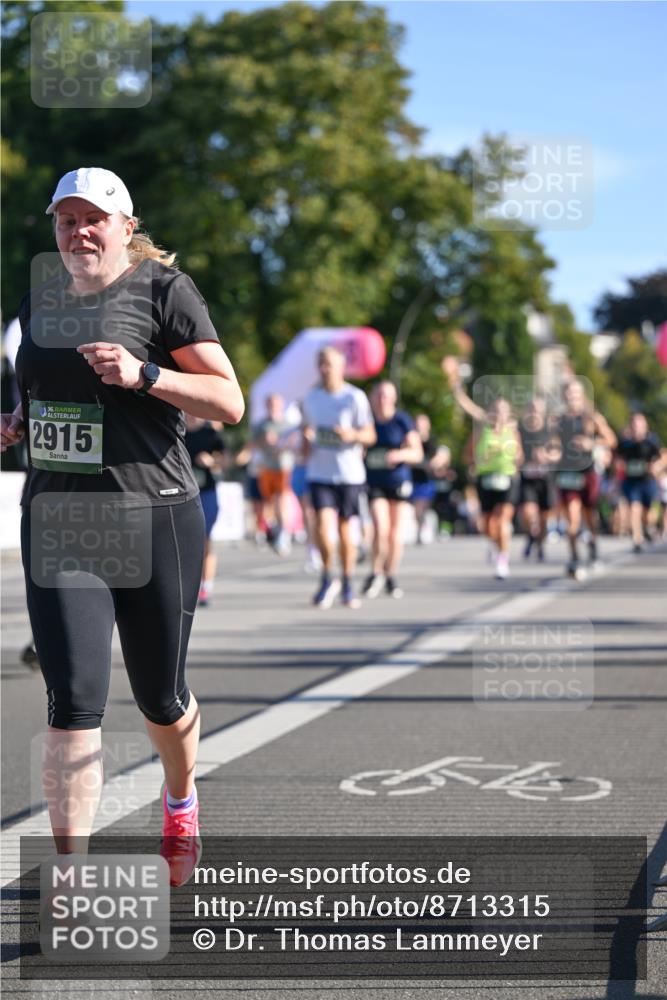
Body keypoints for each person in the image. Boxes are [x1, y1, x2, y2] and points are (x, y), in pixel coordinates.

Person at [0, 167, 244, 887]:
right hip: (59, 520)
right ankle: (70, 877)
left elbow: (228, 401)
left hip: (153, 518)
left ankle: (180, 801)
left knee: (160, 699)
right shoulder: (38, 302)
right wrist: (16, 423)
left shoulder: (164, 292)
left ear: (125, 228)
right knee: (72, 703)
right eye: (66, 219)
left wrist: (144, 375)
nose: (79, 232)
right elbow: (39, 394)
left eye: (93, 219)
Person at [302, 345, 376, 608]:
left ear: (341, 367)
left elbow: (370, 435)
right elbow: (304, 442)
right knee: (322, 525)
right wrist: (307, 439)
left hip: (349, 474)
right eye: (321, 363)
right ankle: (327, 576)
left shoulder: (354, 397)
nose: (324, 368)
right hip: (320, 471)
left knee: (346, 531)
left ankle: (347, 581)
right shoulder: (310, 399)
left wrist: (351, 436)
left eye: (329, 364)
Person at [443, 358, 522, 579]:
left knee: (502, 519)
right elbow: (468, 454)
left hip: (508, 478)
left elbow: (520, 455)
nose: (499, 415)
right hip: (486, 479)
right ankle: (494, 545)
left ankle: (503, 561)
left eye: (503, 411)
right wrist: (456, 385)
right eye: (496, 411)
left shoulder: (513, 431)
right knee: (488, 525)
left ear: (509, 414)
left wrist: (514, 458)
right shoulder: (482, 430)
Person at [362, 381, 423, 599]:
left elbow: (417, 453)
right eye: (378, 395)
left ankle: (391, 574)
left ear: (394, 398)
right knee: (380, 527)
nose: (382, 399)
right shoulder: (367, 422)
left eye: (386, 395)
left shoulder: (402, 421)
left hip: (398, 481)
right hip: (374, 481)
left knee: (396, 534)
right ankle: (375, 570)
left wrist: (399, 455)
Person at [555, 379, 616, 577]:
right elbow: (551, 443)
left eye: (575, 392)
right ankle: (574, 558)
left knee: (589, 516)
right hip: (566, 473)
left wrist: (591, 443)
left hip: (587, 473)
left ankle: (593, 547)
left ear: (581, 395)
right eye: (569, 392)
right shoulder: (558, 419)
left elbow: (611, 440)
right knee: (571, 519)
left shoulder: (591, 418)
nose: (572, 396)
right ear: (564, 395)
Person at [184, 414, 226, 605]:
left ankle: (205, 587)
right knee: (183, 543)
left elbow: (225, 461)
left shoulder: (211, 434)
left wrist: (211, 462)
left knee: (205, 540)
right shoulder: (176, 429)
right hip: (182, 494)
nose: (191, 416)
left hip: (206, 493)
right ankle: (185, 587)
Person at [252, 393, 299, 555]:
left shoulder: (288, 424)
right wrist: (264, 441)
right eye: (270, 403)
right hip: (266, 468)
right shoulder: (261, 425)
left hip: (283, 468)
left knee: (282, 499)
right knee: (268, 504)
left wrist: (281, 444)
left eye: (276, 403)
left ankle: (284, 534)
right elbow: (253, 444)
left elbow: (295, 444)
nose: (273, 406)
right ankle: (275, 530)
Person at [518, 396, 560, 561]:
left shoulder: (550, 432)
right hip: (527, 479)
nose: (534, 412)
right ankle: (530, 535)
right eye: (532, 408)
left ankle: (539, 544)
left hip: (545, 479)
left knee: (544, 517)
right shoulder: (520, 430)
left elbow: (558, 453)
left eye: (538, 409)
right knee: (528, 513)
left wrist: (547, 456)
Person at [616, 412, 664, 552]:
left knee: (647, 514)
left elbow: (661, 458)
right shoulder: (625, 444)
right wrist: (619, 466)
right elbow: (618, 459)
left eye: (639, 424)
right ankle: (637, 539)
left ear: (645, 426)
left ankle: (648, 527)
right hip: (631, 482)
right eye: (634, 425)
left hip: (647, 481)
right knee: (633, 508)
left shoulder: (652, 442)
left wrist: (655, 467)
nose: (636, 428)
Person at [411, 413, 439, 544]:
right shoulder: (410, 440)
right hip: (413, 479)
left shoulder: (432, 442)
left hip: (426, 480)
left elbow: (437, 459)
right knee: (416, 509)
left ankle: (423, 528)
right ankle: (419, 528)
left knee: (421, 506)